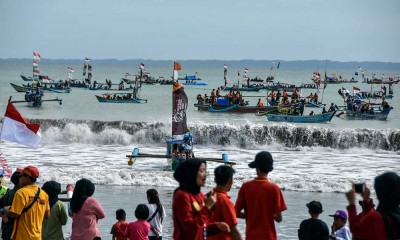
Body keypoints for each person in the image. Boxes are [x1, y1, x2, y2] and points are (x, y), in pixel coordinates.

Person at [172, 159, 230, 240]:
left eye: (205, 171)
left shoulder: (199, 195)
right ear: (191, 173)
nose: (205, 175)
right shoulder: (182, 195)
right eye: (201, 171)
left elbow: (201, 227)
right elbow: (190, 228)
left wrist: (216, 227)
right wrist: (207, 207)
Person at [235, 151, 287, 240]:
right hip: (269, 236)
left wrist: (248, 215)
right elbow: (279, 218)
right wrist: (270, 215)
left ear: (257, 168)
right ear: (270, 168)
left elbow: (235, 212)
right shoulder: (274, 189)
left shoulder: (246, 187)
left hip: (251, 236)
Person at [345, 171, 400, 239]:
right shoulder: (395, 214)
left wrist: (351, 203)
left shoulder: (376, 218)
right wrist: (366, 201)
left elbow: (355, 229)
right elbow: (371, 225)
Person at [2, 165, 50, 240]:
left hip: (22, 236)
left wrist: (6, 210)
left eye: (21, 176)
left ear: (27, 178)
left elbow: (14, 214)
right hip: (37, 236)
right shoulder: (44, 194)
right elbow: (47, 215)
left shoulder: (21, 193)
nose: (20, 178)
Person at [208, 165, 243, 240]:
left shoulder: (206, 197)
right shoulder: (225, 201)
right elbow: (234, 231)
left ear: (215, 179)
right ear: (230, 181)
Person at [0, 171, 21, 240]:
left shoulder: (9, 192)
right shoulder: (19, 194)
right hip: (15, 229)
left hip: (6, 226)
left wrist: (2, 214)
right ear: (20, 181)